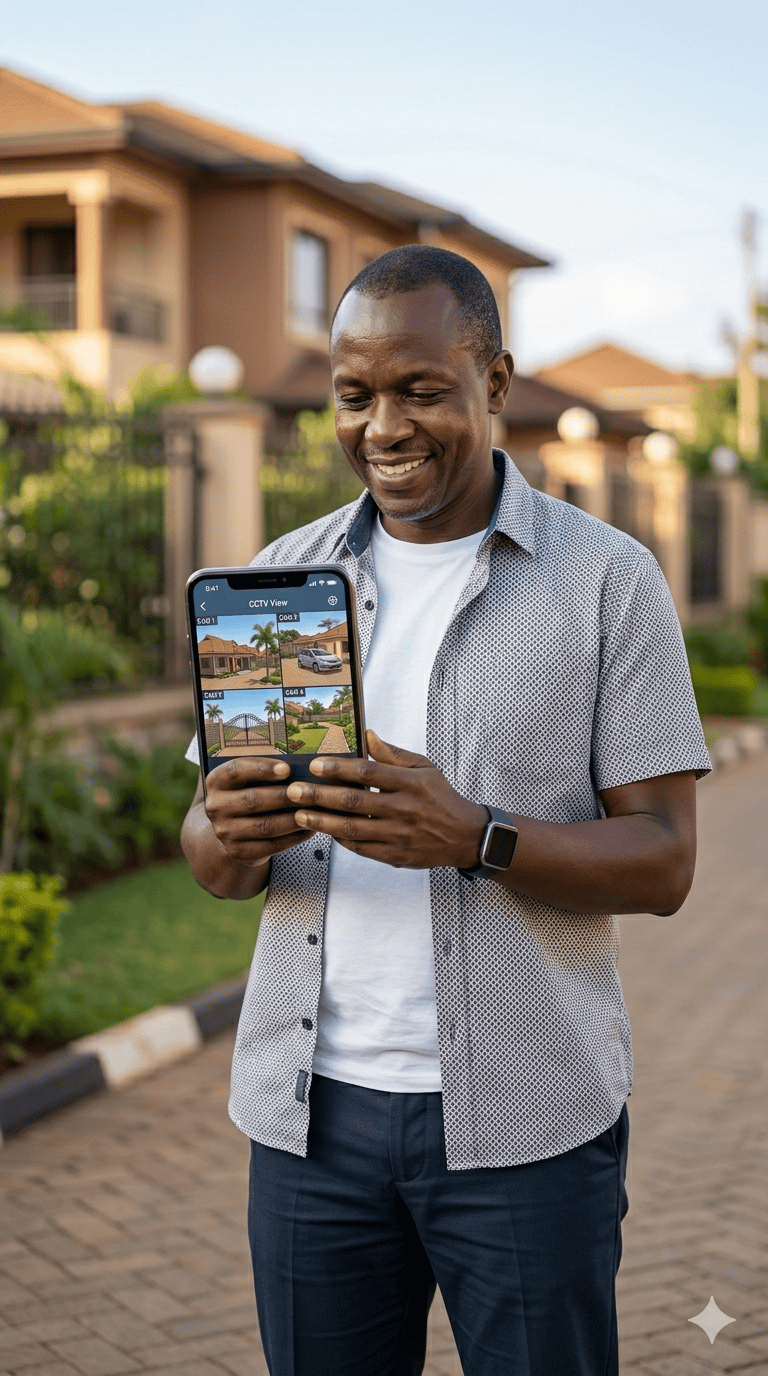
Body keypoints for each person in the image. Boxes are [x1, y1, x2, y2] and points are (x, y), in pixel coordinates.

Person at [181, 244, 711, 1376]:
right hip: (311, 1126)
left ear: (495, 384)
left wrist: (476, 836)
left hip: (526, 1122)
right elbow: (208, 855)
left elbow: (666, 859)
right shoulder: (284, 575)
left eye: (422, 389)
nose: (384, 425)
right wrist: (229, 828)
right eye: (355, 393)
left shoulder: (606, 580)